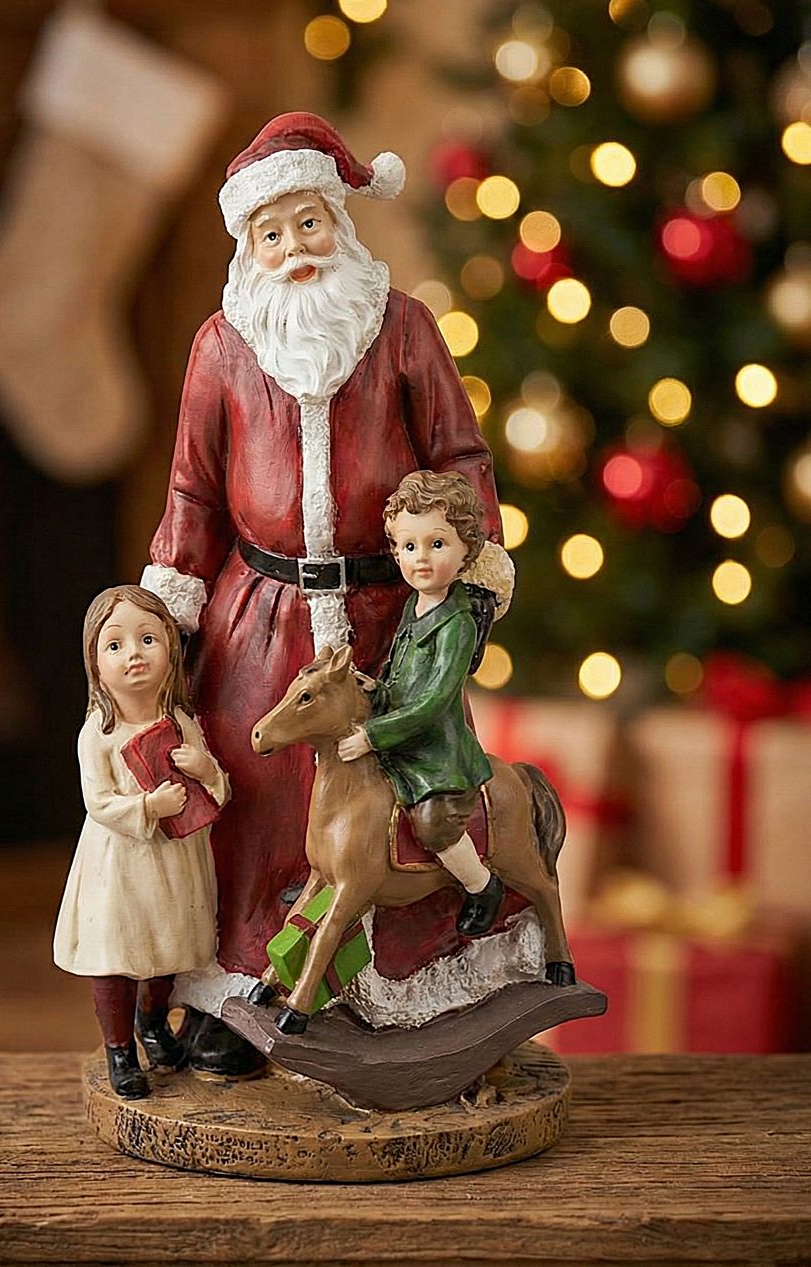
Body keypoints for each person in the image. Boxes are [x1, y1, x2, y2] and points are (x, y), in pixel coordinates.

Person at [140, 113, 514, 1075]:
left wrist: (470, 577)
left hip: (394, 609)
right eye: (272, 233)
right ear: (247, 246)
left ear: (339, 222)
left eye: (309, 224)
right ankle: (246, 995)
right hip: (258, 620)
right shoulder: (221, 348)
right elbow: (191, 488)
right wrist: (172, 608)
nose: (294, 250)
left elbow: (460, 457)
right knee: (261, 803)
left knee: (401, 794)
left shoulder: (402, 329)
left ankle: (394, 985)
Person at [53, 586, 230, 1098]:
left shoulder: (180, 723)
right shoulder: (98, 735)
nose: (134, 654)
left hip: (175, 862)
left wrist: (206, 769)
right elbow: (99, 804)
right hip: (121, 866)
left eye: (148, 638)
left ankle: (153, 1023)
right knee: (119, 954)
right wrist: (148, 808)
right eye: (116, 644)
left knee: (166, 948)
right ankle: (119, 1050)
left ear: (171, 650)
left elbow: (216, 792)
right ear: (96, 663)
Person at [337, 470, 505, 937]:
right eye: (409, 547)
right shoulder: (414, 607)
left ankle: (480, 884)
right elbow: (401, 669)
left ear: (465, 550)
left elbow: (433, 701)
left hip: (436, 751)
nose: (422, 560)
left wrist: (373, 735)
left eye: (437, 544)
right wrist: (375, 691)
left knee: (432, 825)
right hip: (398, 732)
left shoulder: (458, 624)